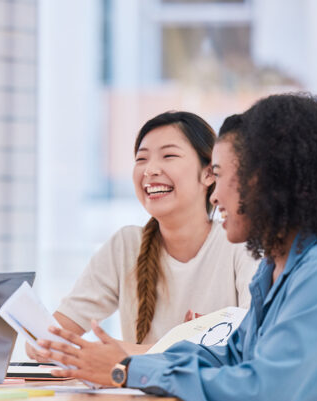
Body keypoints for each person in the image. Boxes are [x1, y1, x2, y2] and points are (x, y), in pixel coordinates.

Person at [37, 94, 317, 401]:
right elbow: (230, 358)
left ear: (267, 182)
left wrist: (127, 370)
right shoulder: (280, 270)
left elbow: (264, 394)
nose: (216, 192)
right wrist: (129, 366)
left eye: (222, 175)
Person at [32, 111, 256, 360]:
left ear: (208, 173)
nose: (149, 170)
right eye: (141, 159)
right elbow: (45, 342)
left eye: (169, 155)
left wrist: (123, 353)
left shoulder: (239, 244)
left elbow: (252, 343)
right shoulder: (126, 245)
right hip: (137, 397)